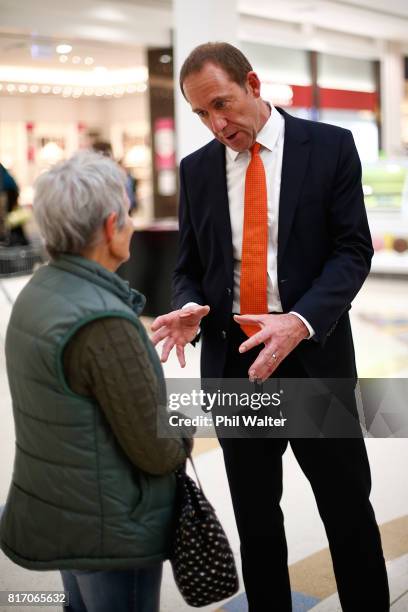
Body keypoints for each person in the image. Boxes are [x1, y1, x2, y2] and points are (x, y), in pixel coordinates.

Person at [151, 43, 389, 611]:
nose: (216, 124)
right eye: (201, 114)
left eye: (222, 104)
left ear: (253, 83)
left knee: (347, 511)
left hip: (313, 357)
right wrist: (188, 304)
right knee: (257, 520)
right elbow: (189, 266)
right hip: (236, 367)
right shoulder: (199, 169)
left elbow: (353, 250)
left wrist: (300, 321)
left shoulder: (329, 147)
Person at [0, 151, 192, 612]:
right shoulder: (104, 322)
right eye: (126, 214)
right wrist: (183, 425)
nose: (130, 224)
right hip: (112, 524)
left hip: (67, 505)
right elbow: (155, 446)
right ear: (111, 226)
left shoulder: (39, 293)